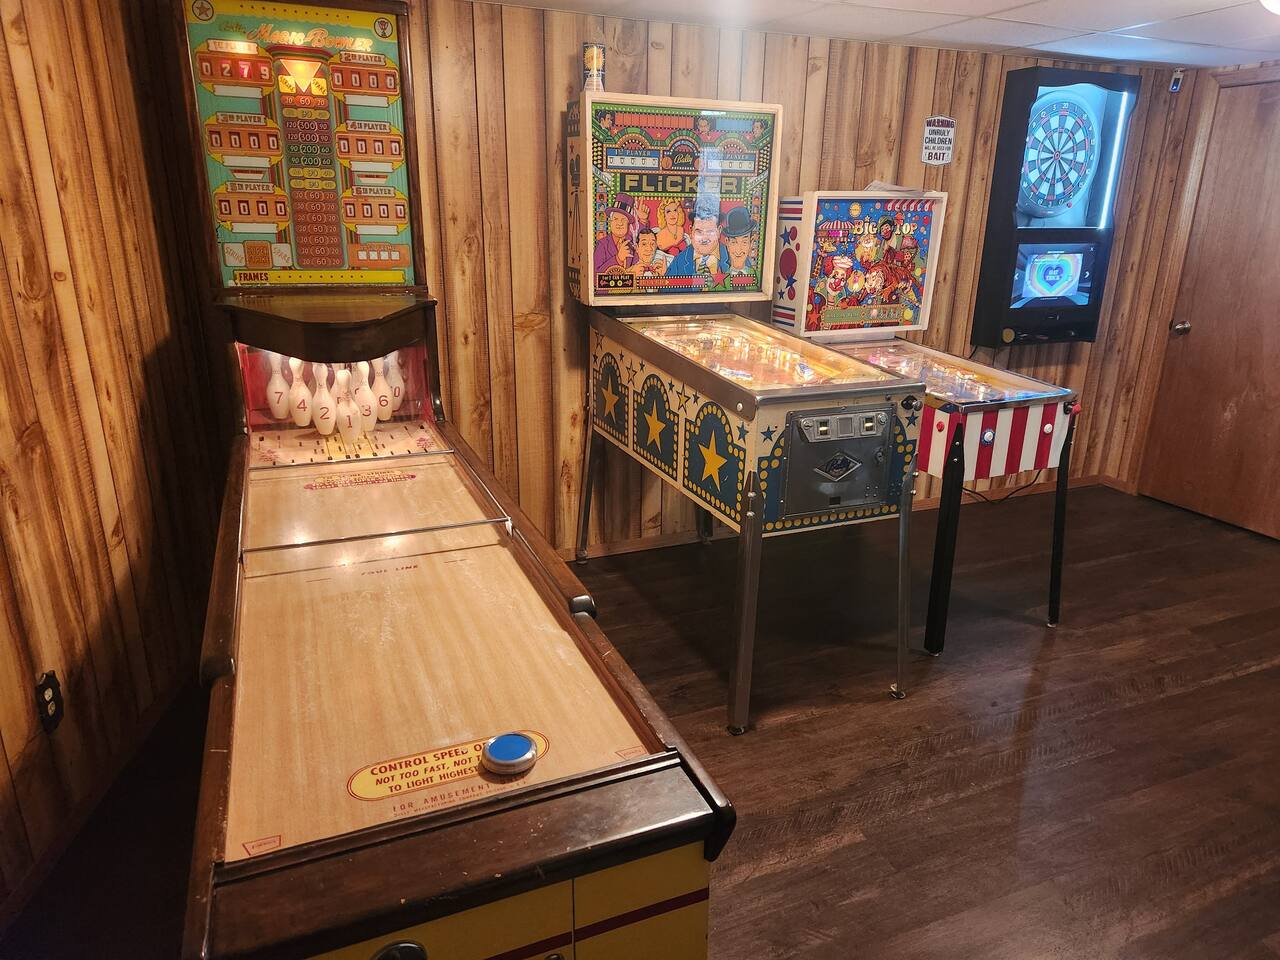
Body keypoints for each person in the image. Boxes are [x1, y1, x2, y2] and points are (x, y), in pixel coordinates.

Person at [668, 198, 726, 278]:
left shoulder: (732, 256)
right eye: (699, 232)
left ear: (719, 231)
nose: (704, 238)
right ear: (691, 231)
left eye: (710, 231)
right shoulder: (679, 261)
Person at [594, 203, 635, 273]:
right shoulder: (602, 244)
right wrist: (618, 259)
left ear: (628, 223)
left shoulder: (631, 243)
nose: (620, 223)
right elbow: (595, 274)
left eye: (623, 220)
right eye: (616, 219)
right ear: (610, 222)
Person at [720, 206, 757, 277]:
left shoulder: (757, 276)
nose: (738, 250)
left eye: (744, 242)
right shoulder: (721, 280)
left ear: (751, 243)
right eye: (734, 242)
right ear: (727, 243)